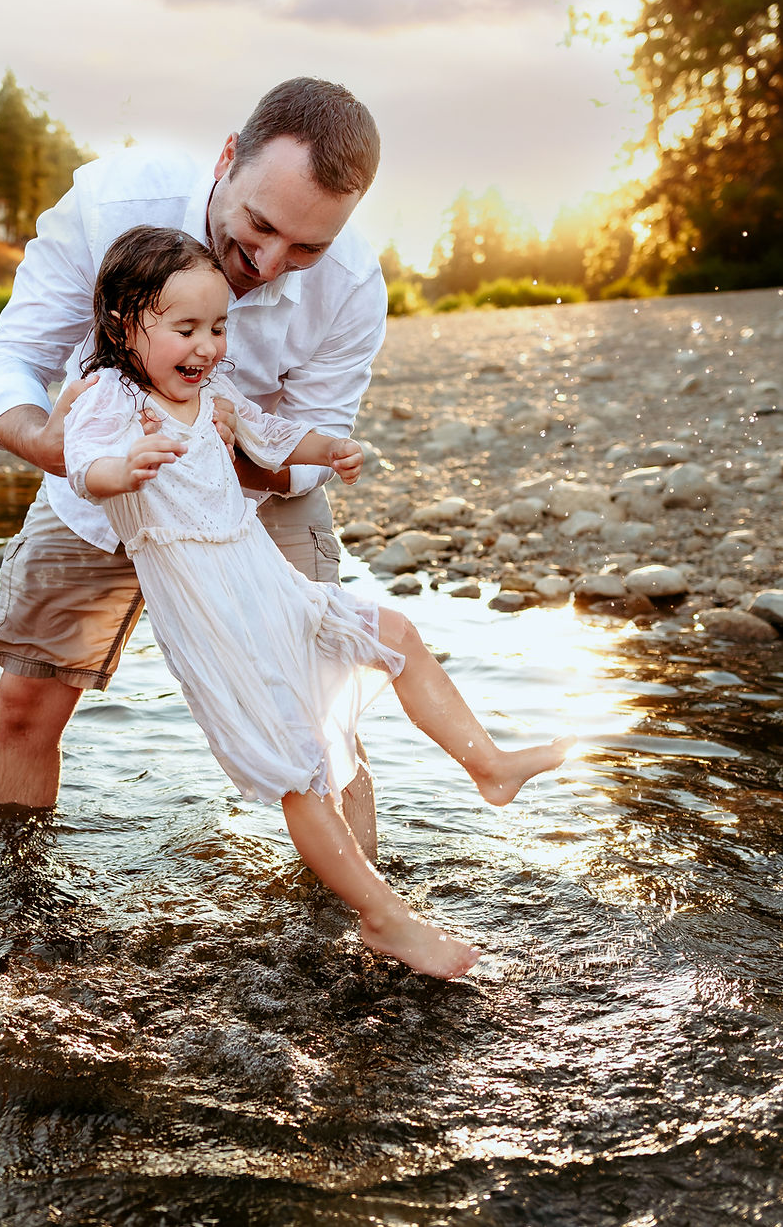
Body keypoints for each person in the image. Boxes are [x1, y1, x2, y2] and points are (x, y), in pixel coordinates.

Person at [62, 225, 571, 980]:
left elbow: (271, 436)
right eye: (185, 329)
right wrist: (123, 466)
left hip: (269, 586)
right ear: (122, 323)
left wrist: (328, 448)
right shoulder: (111, 398)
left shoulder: (211, 397)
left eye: (218, 327)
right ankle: (385, 918)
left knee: (394, 631)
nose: (207, 346)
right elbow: (82, 467)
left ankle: (488, 765)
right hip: (213, 617)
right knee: (300, 771)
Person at [0, 78, 387, 855]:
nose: (267, 263)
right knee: (25, 707)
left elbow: (315, 443)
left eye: (307, 247)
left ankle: (360, 934)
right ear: (228, 157)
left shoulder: (354, 286)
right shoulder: (111, 201)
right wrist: (51, 447)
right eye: (259, 226)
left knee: (323, 719)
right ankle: (13, 914)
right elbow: (17, 359)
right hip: (94, 488)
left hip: (252, 501)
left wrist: (234, 460)